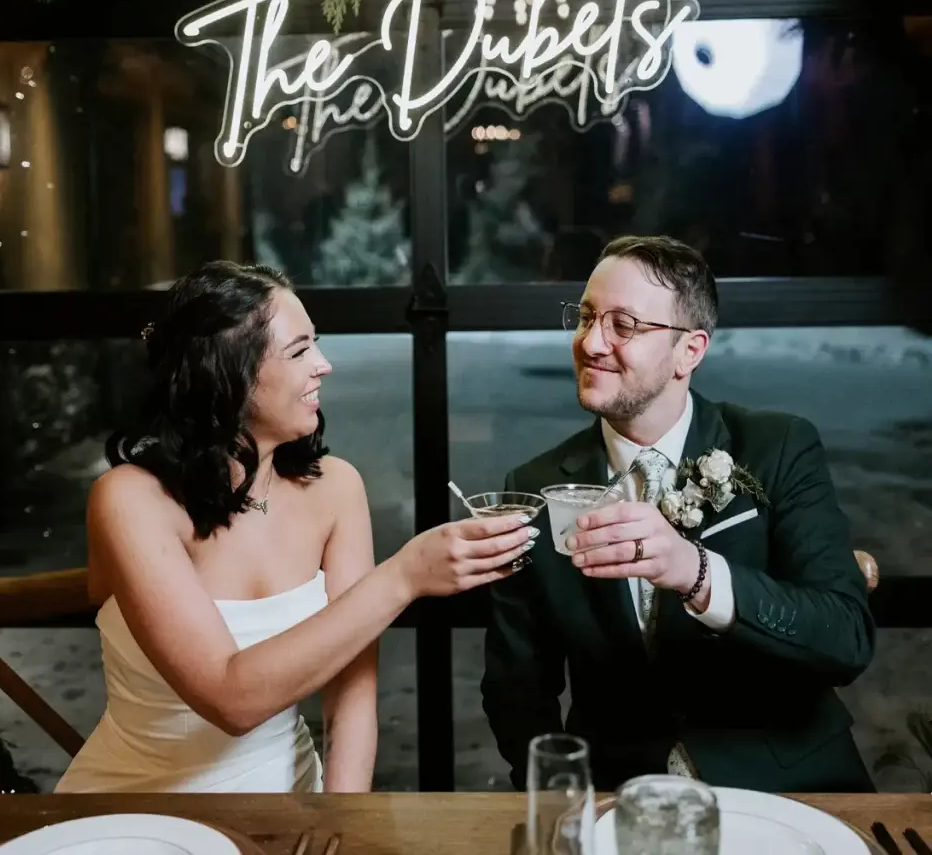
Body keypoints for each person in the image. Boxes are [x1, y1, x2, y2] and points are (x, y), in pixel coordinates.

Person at [57, 261, 534, 794]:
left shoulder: (335, 487)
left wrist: (342, 822)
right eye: (300, 350)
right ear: (227, 372)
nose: (324, 365)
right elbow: (230, 700)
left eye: (317, 344)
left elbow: (352, 695)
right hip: (139, 809)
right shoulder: (130, 498)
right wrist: (403, 577)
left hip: (292, 804)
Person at [481, 234, 876, 793]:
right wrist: (560, 797)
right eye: (587, 316)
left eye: (624, 325)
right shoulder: (536, 487)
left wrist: (696, 572)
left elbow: (845, 639)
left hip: (790, 784)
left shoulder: (778, 446)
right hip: (621, 797)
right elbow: (517, 685)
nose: (591, 342)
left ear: (689, 351)